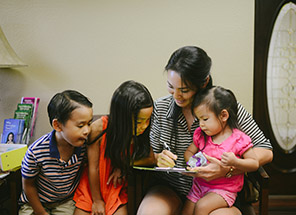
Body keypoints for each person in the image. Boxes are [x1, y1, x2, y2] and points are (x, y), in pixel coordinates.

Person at [137, 46, 273, 215]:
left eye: (184, 90)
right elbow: (141, 151)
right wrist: (157, 157)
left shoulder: (224, 108)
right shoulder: (160, 108)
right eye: (171, 87)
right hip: (169, 188)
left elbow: (265, 151)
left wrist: (228, 168)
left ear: (204, 82)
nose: (176, 95)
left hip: (217, 192)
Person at [73, 80, 155, 215]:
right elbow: (93, 168)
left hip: (114, 188)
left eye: (148, 120)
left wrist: (123, 166)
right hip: (93, 188)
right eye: (140, 121)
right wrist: (97, 200)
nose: (144, 126)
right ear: (123, 117)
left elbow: (150, 159)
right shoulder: (99, 128)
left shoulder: (138, 134)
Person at [182, 86, 259, 215]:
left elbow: (254, 163)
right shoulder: (201, 135)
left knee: (201, 207)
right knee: (186, 212)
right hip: (199, 186)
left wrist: (235, 162)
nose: (201, 124)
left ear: (223, 115)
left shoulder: (238, 139)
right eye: (199, 119)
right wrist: (192, 162)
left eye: (205, 119)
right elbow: (189, 152)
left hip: (223, 190)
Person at [19, 90, 93, 215]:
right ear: (57, 125)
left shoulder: (85, 146)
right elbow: (28, 185)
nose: (87, 130)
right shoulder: (36, 152)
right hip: (35, 203)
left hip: (65, 202)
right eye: (80, 126)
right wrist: (41, 212)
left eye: (89, 123)